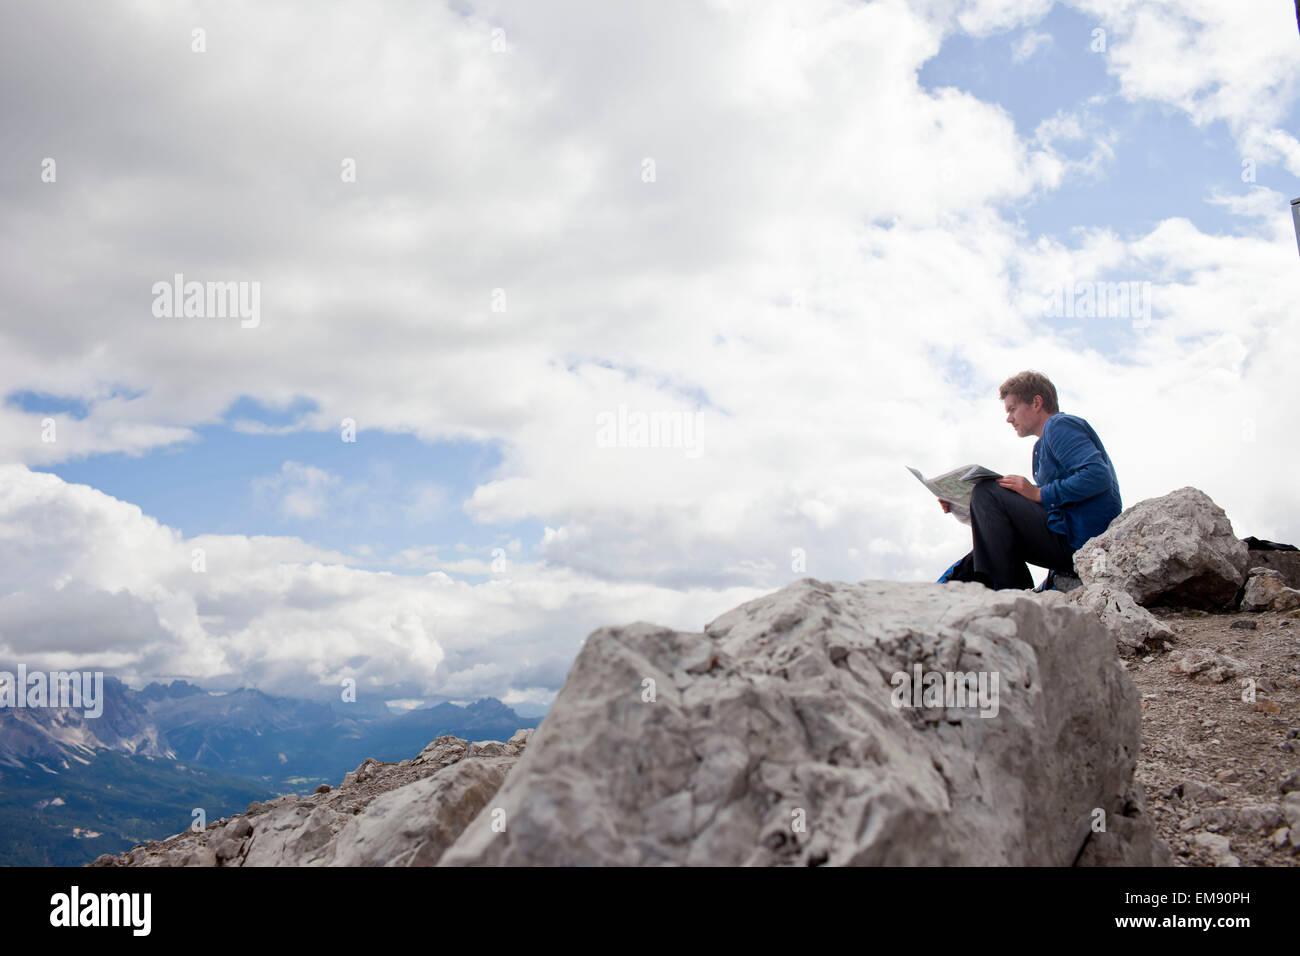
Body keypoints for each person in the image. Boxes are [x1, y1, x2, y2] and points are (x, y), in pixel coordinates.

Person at [937, 370, 1122, 591]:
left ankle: (1011, 594)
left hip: (1085, 544)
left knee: (987, 491)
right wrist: (960, 508)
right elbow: (1026, 514)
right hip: (1068, 540)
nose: (1009, 419)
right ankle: (1010, 594)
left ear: (1036, 402)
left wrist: (1038, 493)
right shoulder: (1040, 447)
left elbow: (1097, 475)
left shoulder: (1058, 425)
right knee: (981, 548)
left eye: (1012, 409)